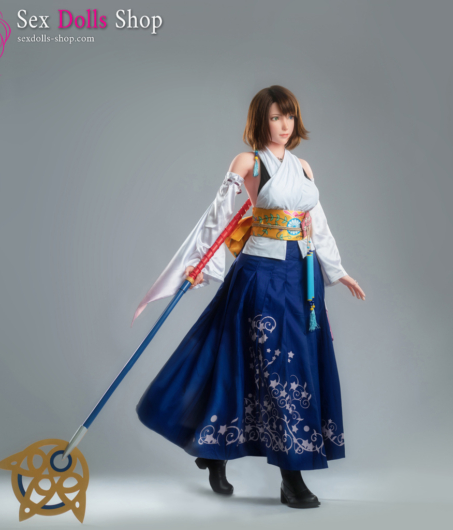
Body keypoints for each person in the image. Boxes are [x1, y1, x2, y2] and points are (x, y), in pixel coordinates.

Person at [134, 85, 365, 509]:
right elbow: (218, 218)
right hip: (261, 274)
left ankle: (215, 451)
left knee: (288, 365)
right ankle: (290, 476)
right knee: (273, 368)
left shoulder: (303, 167)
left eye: (289, 116)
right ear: (261, 120)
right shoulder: (249, 162)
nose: (284, 125)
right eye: (276, 117)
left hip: (302, 276)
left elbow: (317, 223)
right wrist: (199, 266)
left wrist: (337, 270)